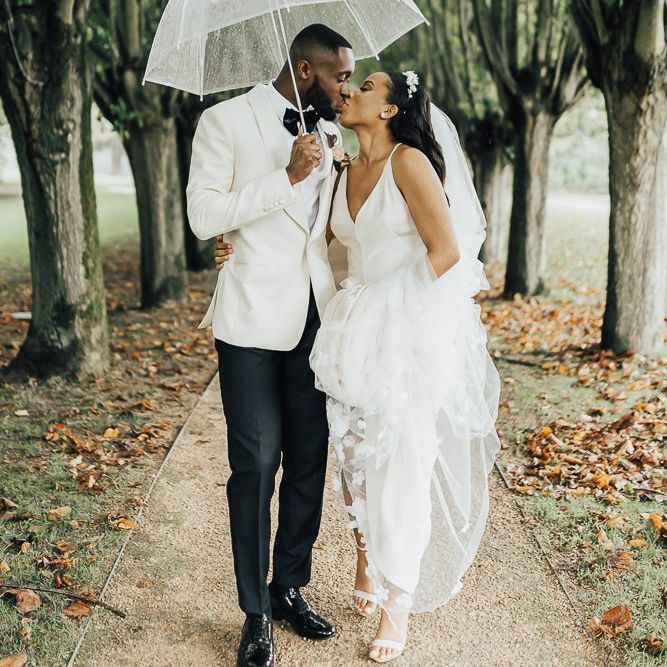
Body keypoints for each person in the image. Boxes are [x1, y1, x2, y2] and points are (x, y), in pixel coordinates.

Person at [216, 71, 501, 664]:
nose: (347, 92)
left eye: (363, 85)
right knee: (353, 453)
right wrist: (234, 244)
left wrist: (385, 308)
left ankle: (400, 598)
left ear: (391, 107)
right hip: (349, 328)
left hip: (404, 328)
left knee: (402, 455)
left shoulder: (410, 164)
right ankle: (368, 554)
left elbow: (446, 253)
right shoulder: (343, 167)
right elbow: (319, 244)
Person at [187, 23, 355, 667]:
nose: (346, 88)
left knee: (310, 455)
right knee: (256, 464)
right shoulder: (223, 121)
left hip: (316, 313)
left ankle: (289, 587)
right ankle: (254, 611)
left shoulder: (333, 136)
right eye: (341, 76)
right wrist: (286, 178)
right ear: (306, 70)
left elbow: (327, 231)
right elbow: (204, 216)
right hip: (252, 320)